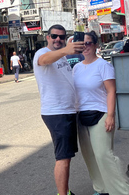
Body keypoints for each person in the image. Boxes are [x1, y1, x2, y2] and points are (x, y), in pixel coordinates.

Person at [73, 31, 129, 195]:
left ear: (95, 45)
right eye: (82, 43)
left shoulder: (103, 65)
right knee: (90, 156)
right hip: (82, 117)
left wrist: (110, 116)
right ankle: (101, 188)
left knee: (103, 155)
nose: (85, 46)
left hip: (100, 114)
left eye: (88, 43)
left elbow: (111, 91)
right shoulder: (77, 68)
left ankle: (125, 191)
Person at [33, 24, 85, 195]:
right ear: (47, 37)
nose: (58, 40)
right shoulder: (42, 53)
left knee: (67, 157)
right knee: (62, 158)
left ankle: (66, 191)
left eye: (61, 37)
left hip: (68, 111)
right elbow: (44, 60)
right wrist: (66, 50)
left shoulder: (62, 56)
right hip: (57, 113)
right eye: (54, 36)